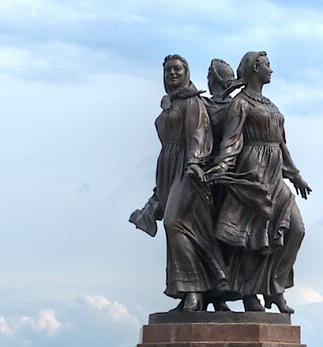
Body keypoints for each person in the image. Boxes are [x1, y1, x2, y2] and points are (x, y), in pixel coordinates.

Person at [208, 50, 310, 314]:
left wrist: (295, 174)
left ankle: (275, 288)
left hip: (276, 174)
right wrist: (221, 167)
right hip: (253, 171)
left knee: (295, 230)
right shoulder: (240, 103)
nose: (271, 70)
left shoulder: (270, 104)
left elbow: (281, 143)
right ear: (255, 68)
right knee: (254, 238)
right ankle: (250, 294)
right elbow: (231, 140)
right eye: (267, 65)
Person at [129, 54, 228, 313]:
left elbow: (198, 133)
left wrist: (195, 163)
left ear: (186, 72)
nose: (172, 73)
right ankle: (191, 294)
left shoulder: (193, 102)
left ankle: (196, 288)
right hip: (167, 169)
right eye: (168, 70)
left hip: (189, 167)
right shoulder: (168, 105)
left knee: (175, 223)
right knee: (184, 232)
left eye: (177, 69)